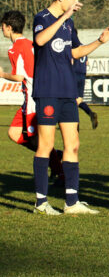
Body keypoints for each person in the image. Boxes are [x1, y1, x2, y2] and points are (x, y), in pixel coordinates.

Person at [32, 0, 109, 215]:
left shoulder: (69, 24)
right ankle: (41, 203)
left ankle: (71, 202)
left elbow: (75, 52)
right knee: (46, 145)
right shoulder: (43, 18)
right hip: (47, 91)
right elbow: (40, 40)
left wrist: (100, 41)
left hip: (68, 92)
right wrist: (64, 17)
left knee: (73, 145)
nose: (78, 3)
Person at [1, 11, 63, 179]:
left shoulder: (15, 49)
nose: (2, 29)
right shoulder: (31, 43)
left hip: (33, 99)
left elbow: (19, 76)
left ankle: (60, 171)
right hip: (41, 93)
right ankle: (57, 156)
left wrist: (2, 74)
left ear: (9, 27)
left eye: (3, 26)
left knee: (37, 140)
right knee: (14, 133)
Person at [71, 31, 98, 130]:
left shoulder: (71, 46)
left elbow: (71, 61)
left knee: (71, 101)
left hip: (73, 74)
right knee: (78, 100)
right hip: (82, 75)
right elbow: (86, 62)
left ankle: (75, 124)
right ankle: (90, 113)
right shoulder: (83, 46)